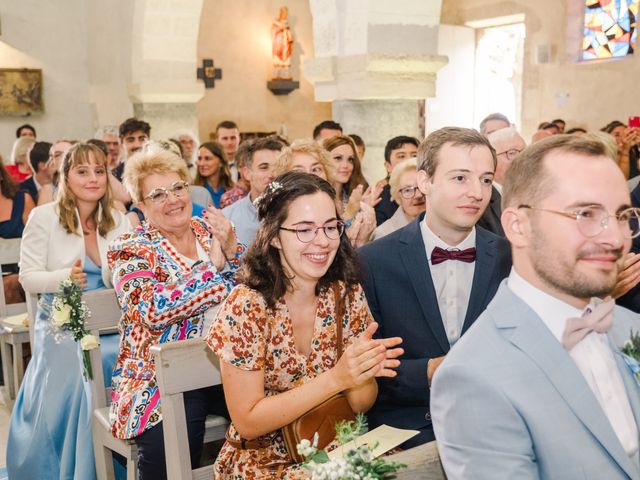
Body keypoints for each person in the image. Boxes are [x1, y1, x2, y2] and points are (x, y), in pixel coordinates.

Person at [432, 135, 640, 480]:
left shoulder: (630, 327)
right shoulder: (473, 375)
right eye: (585, 213)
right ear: (518, 226)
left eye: (622, 216)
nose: (616, 238)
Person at [206, 171, 403, 478]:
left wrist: (361, 373)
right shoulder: (247, 305)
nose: (322, 242)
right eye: (304, 230)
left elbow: (361, 405)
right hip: (263, 460)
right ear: (273, 236)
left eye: (330, 227)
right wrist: (338, 378)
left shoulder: (345, 294)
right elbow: (247, 420)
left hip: (335, 447)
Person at [359, 127, 512, 447]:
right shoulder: (373, 261)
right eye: (460, 178)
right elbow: (365, 372)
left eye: (485, 180)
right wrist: (429, 371)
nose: (477, 192)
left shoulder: (507, 256)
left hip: (494, 423)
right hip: (407, 429)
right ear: (424, 181)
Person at [107, 146, 246, 479]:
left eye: (177, 188)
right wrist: (212, 268)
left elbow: (253, 289)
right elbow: (151, 309)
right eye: (157, 194)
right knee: (170, 449)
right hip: (161, 378)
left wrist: (231, 250)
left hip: (226, 365)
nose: (172, 199)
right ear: (139, 205)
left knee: (274, 419)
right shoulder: (129, 248)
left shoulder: (208, 230)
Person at [7, 143, 131, 479]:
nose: (92, 179)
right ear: (66, 176)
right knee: (89, 365)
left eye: (99, 171)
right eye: (82, 171)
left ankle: (127, 455)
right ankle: (80, 465)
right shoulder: (44, 217)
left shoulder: (118, 220)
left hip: (113, 322)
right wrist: (65, 277)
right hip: (61, 322)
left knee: (126, 356)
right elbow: (29, 278)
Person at [223, 136, 284, 246]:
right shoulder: (228, 218)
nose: (273, 174)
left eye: (278, 167)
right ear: (247, 173)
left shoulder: (297, 213)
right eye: (264, 167)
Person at [323, 135, 378, 247]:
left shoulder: (354, 197)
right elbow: (329, 245)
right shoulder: (318, 199)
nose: (346, 166)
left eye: (350, 160)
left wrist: (364, 212)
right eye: (338, 158)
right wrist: (350, 213)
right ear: (323, 160)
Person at [478, 126, 526, 236]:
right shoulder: (481, 201)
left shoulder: (533, 193)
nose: (522, 159)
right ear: (491, 159)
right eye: (512, 153)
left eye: (524, 152)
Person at [372, 158, 425, 240]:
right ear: (397, 195)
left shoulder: (446, 224)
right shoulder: (385, 234)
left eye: (421, 187)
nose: (418, 195)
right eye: (407, 190)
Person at [374, 135, 420, 225]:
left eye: (414, 156)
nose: (409, 160)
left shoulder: (431, 190)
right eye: (401, 156)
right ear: (388, 166)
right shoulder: (380, 199)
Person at [193, 142, 234, 208]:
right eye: (199, 158)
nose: (201, 163)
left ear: (221, 162)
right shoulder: (193, 190)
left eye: (207, 159)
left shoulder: (233, 190)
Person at [37, 139, 76, 205]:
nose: (52, 160)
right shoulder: (48, 190)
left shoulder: (84, 184)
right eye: (51, 156)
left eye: (57, 155)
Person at [271, 6, 294, 79]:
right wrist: (280, 28)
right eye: (284, 13)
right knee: (278, 59)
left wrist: (288, 34)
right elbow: (273, 32)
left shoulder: (287, 24)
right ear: (281, 13)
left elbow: (289, 35)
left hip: (285, 44)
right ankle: (277, 75)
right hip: (279, 43)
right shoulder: (276, 23)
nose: (285, 15)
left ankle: (285, 75)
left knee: (286, 58)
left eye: (286, 14)